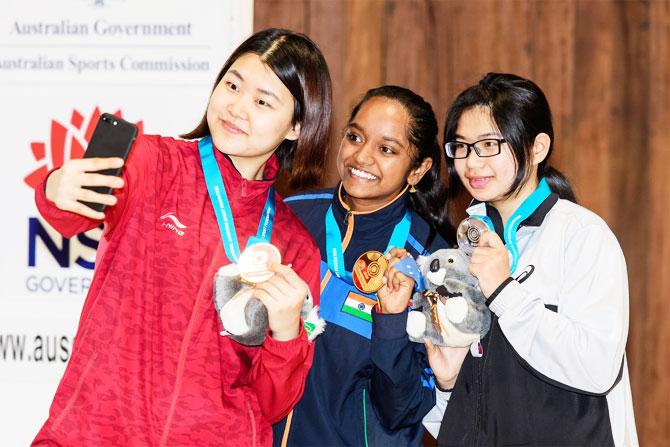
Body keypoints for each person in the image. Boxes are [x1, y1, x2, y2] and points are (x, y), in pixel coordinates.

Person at [32, 28, 332, 446]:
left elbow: (272, 404)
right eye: (232, 85)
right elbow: (69, 216)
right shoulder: (152, 162)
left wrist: (285, 334)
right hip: (95, 432)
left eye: (262, 101)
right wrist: (55, 188)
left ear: (297, 126)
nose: (237, 107)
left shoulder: (294, 245)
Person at [423, 72, 638, 446]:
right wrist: (446, 385)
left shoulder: (582, 236)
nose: (471, 163)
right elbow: (467, 415)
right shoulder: (462, 252)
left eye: (489, 144)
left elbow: (597, 367)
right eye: (460, 147)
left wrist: (505, 292)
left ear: (537, 148)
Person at [273, 85, 454, 446]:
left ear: (417, 170)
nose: (362, 157)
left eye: (386, 149)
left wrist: (391, 321)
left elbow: (403, 410)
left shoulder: (432, 263)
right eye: (355, 137)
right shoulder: (289, 217)